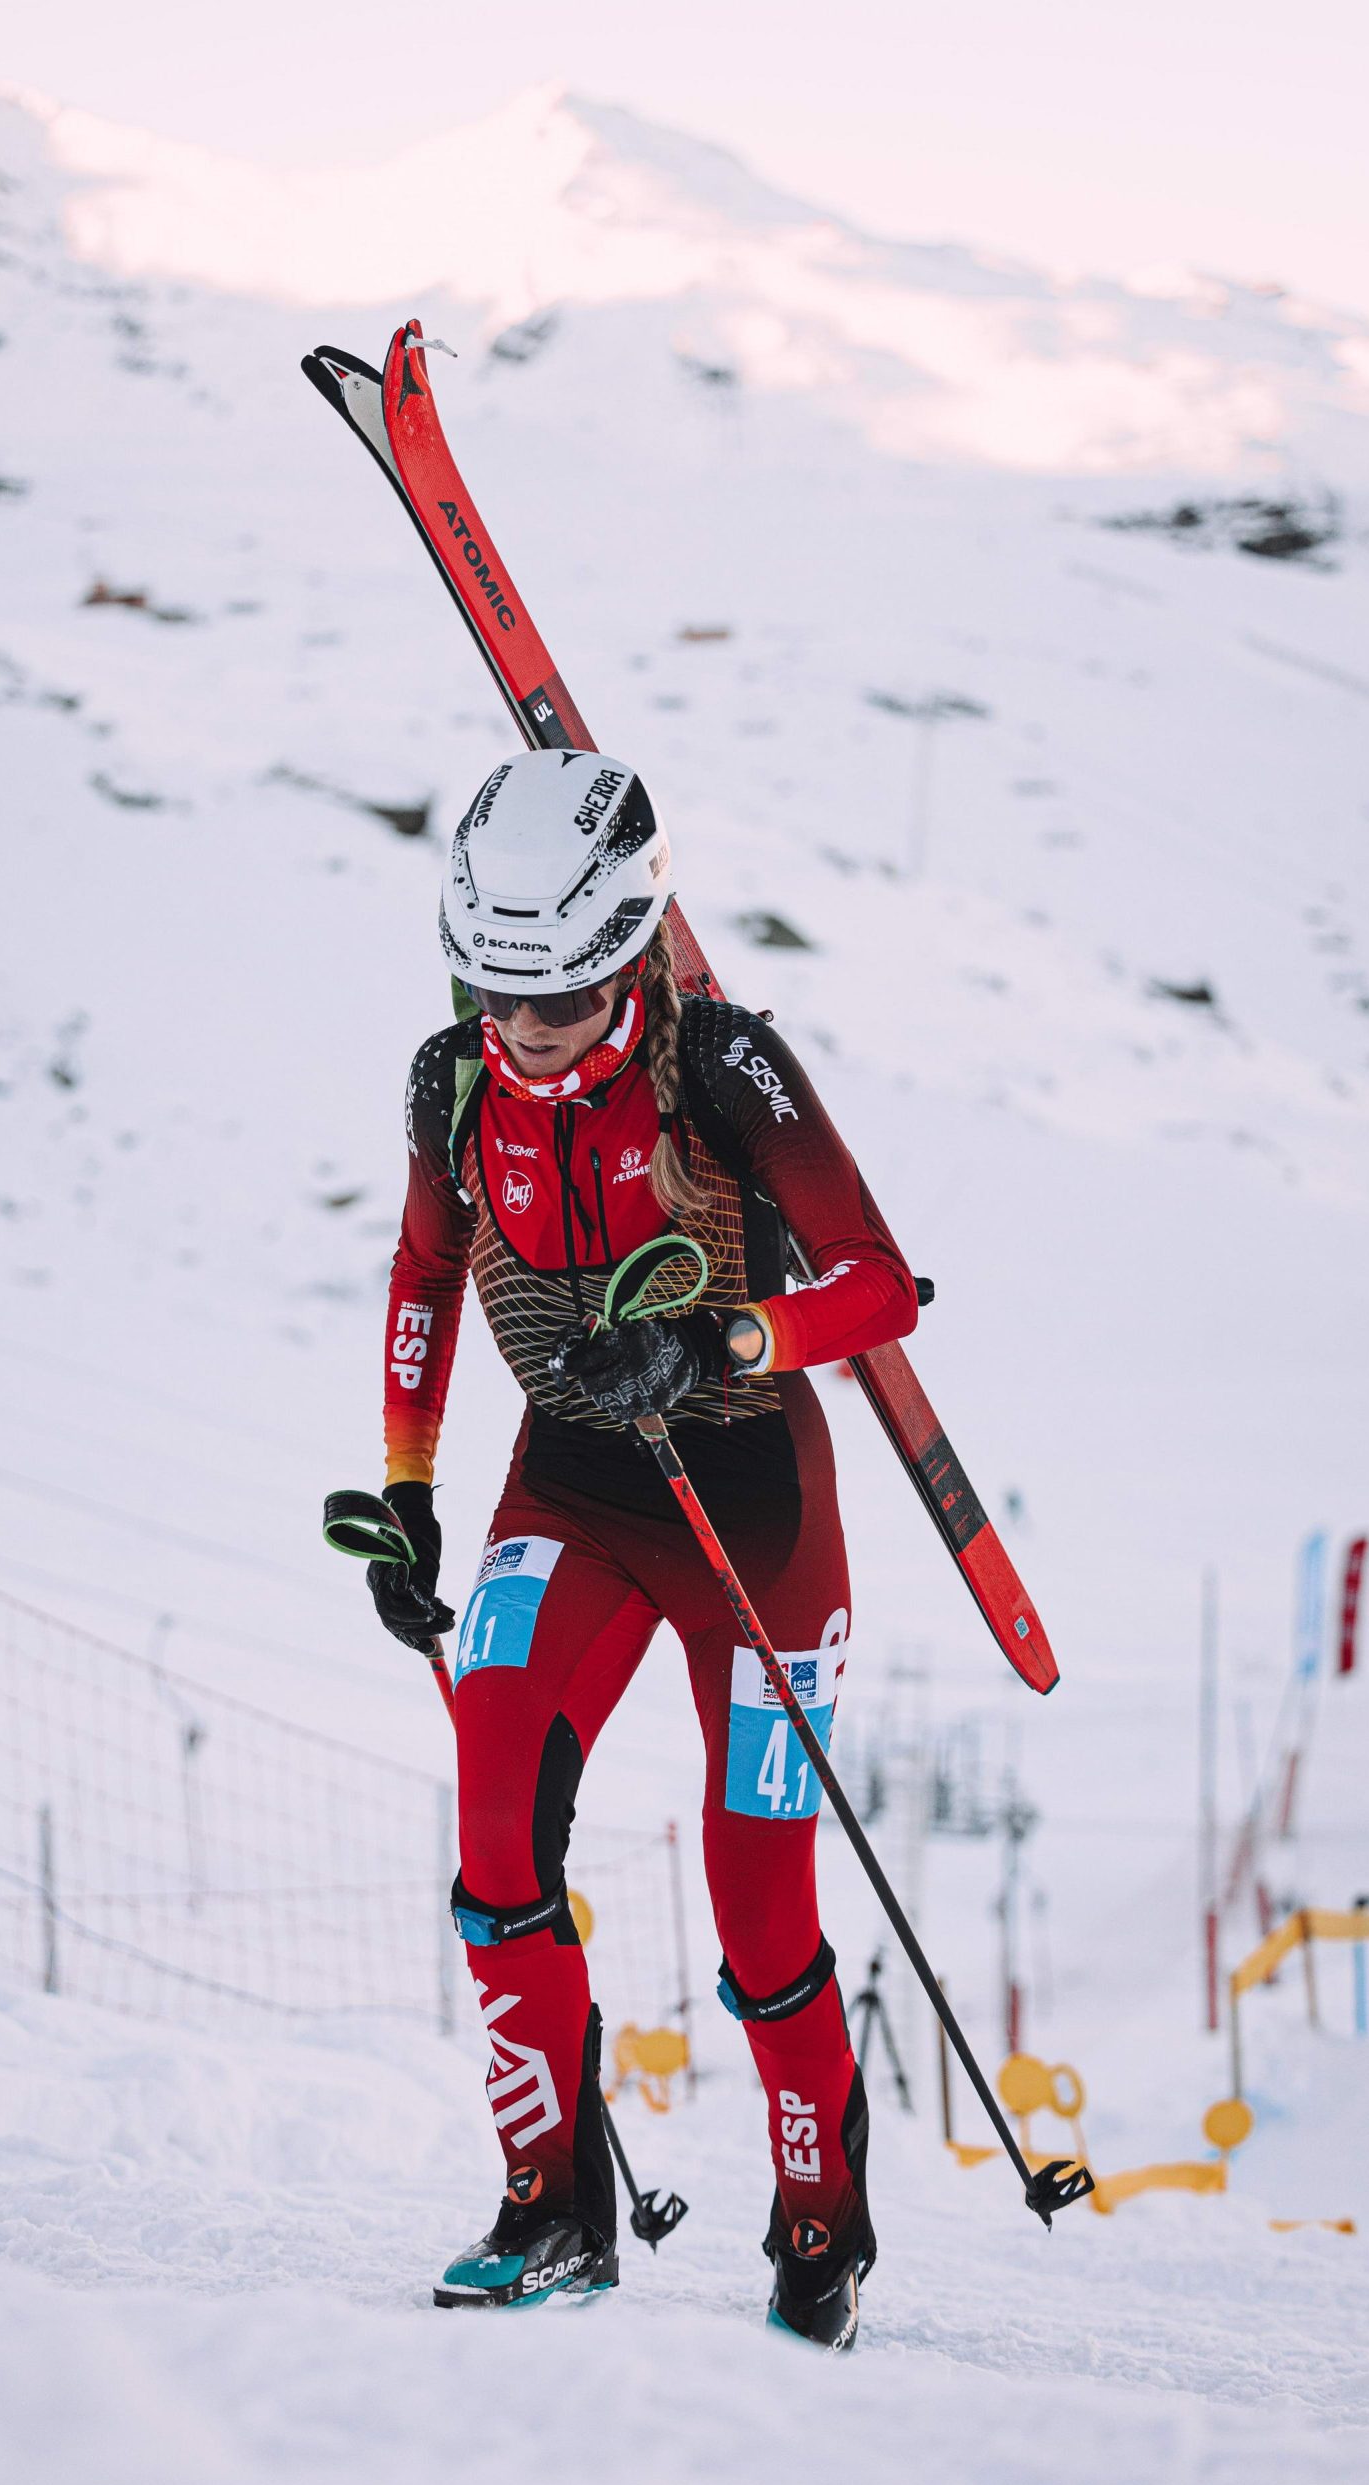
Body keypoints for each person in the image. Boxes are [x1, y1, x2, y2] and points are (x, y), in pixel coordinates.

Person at [365, 749, 919, 2348]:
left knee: (759, 1912)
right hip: (576, 1484)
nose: (524, 1031)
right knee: (493, 1830)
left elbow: (882, 1286)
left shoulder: (729, 1072)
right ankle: (550, 2206)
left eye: (565, 998)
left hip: (757, 1516)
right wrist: (406, 1493)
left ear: (633, 951)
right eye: (495, 990)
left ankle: (820, 2214)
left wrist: (730, 1341)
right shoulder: (451, 1084)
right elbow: (422, 1278)